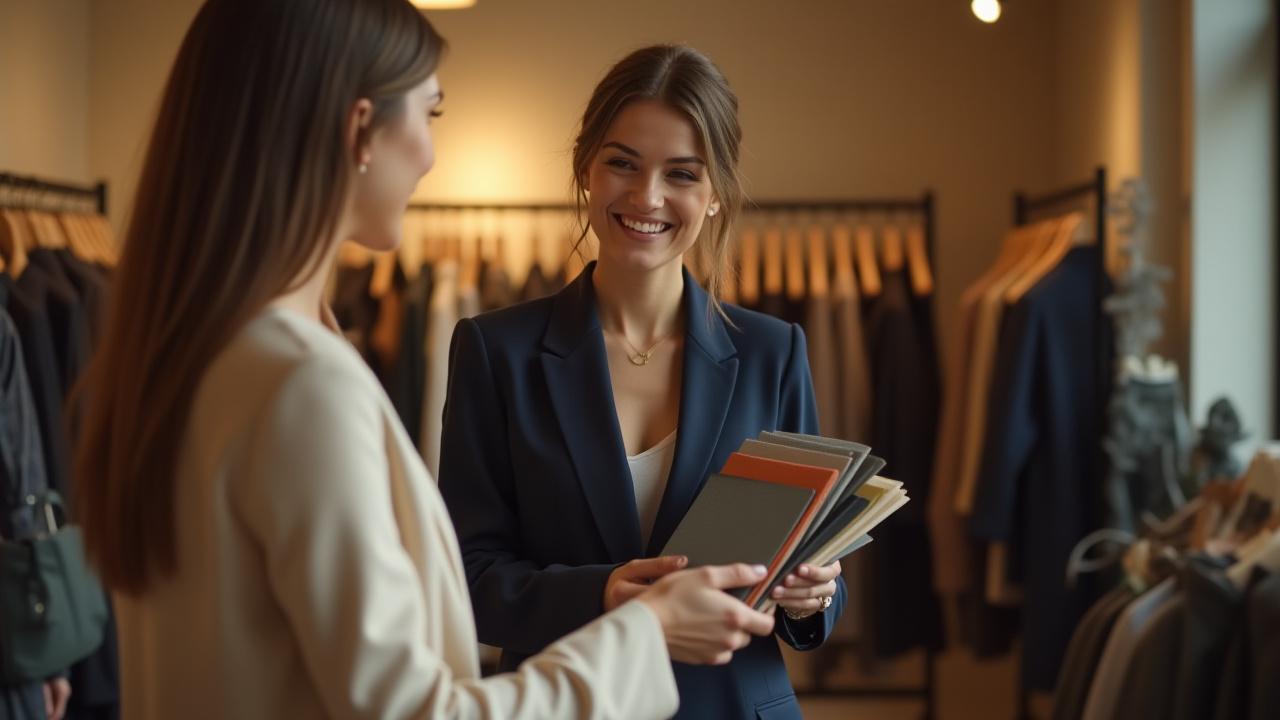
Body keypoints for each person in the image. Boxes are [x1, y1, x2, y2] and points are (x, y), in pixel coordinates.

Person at [70, 2, 775, 718]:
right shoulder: (301, 385)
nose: (432, 154)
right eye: (431, 114)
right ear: (360, 131)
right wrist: (646, 629)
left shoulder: (196, 353)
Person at [438, 44, 846, 720]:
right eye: (622, 163)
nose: (646, 196)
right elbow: (466, 575)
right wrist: (606, 597)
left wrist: (818, 593)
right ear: (585, 170)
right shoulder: (494, 351)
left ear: (715, 195)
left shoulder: (775, 351)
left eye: (681, 174)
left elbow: (814, 558)